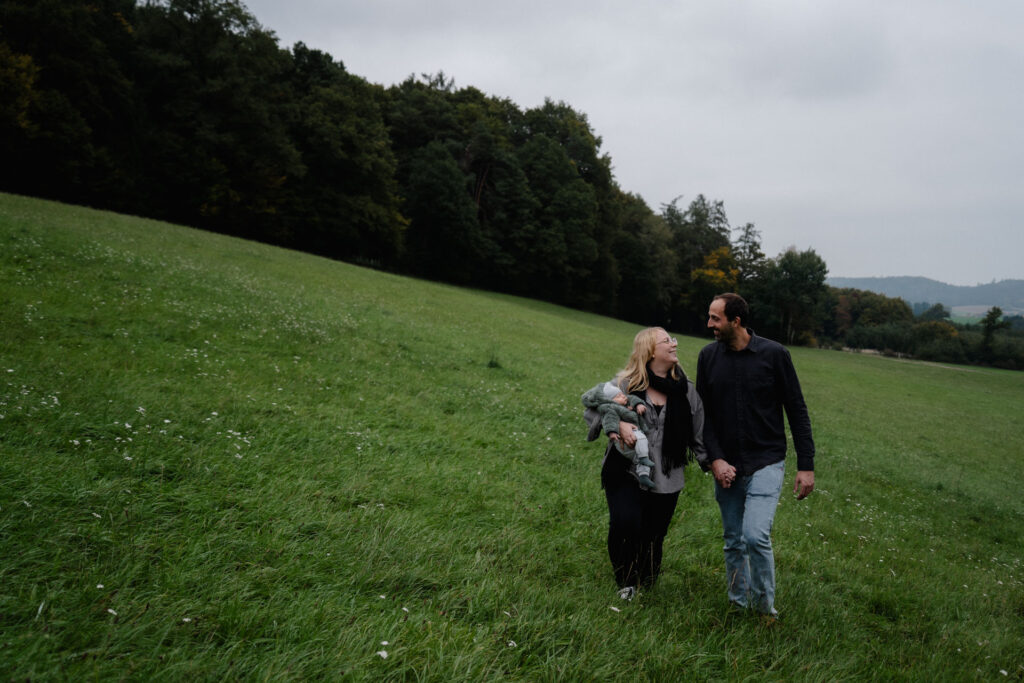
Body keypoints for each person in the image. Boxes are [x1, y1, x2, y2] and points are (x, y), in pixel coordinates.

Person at [696, 293, 816, 619]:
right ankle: (738, 604)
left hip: (766, 460)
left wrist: (806, 465)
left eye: (716, 318)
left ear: (736, 321)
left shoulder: (775, 355)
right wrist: (715, 459)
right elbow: (703, 415)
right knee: (733, 540)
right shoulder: (708, 357)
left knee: (754, 535)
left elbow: (797, 410)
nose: (709, 324)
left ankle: (765, 611)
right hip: (726, 464)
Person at [584, 327, 709, 601]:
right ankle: (625, 582)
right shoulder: (625, 384)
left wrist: (713, 463)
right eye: (667, 341)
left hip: (667, 474)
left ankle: (645, 579)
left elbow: (699, 433)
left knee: (654, 534)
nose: (674, 344)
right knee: (625, 522)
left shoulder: (686, 391)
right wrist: (619, 424)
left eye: (673, 339)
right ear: (650, 351)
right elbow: (591, 407)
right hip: (624, 468)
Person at [581, 380, 656, 489]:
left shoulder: (625, 401)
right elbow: (610, 419)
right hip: (625, 437)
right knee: (640, 443)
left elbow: (632, 398)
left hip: (637, 431)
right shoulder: (610, 407)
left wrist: (638, 404)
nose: (623, 396)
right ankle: (643, 460)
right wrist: (613, 431)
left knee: (640, 455)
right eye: (619, 396)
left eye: (622, 394)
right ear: (610, 400)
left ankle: (643, 475)